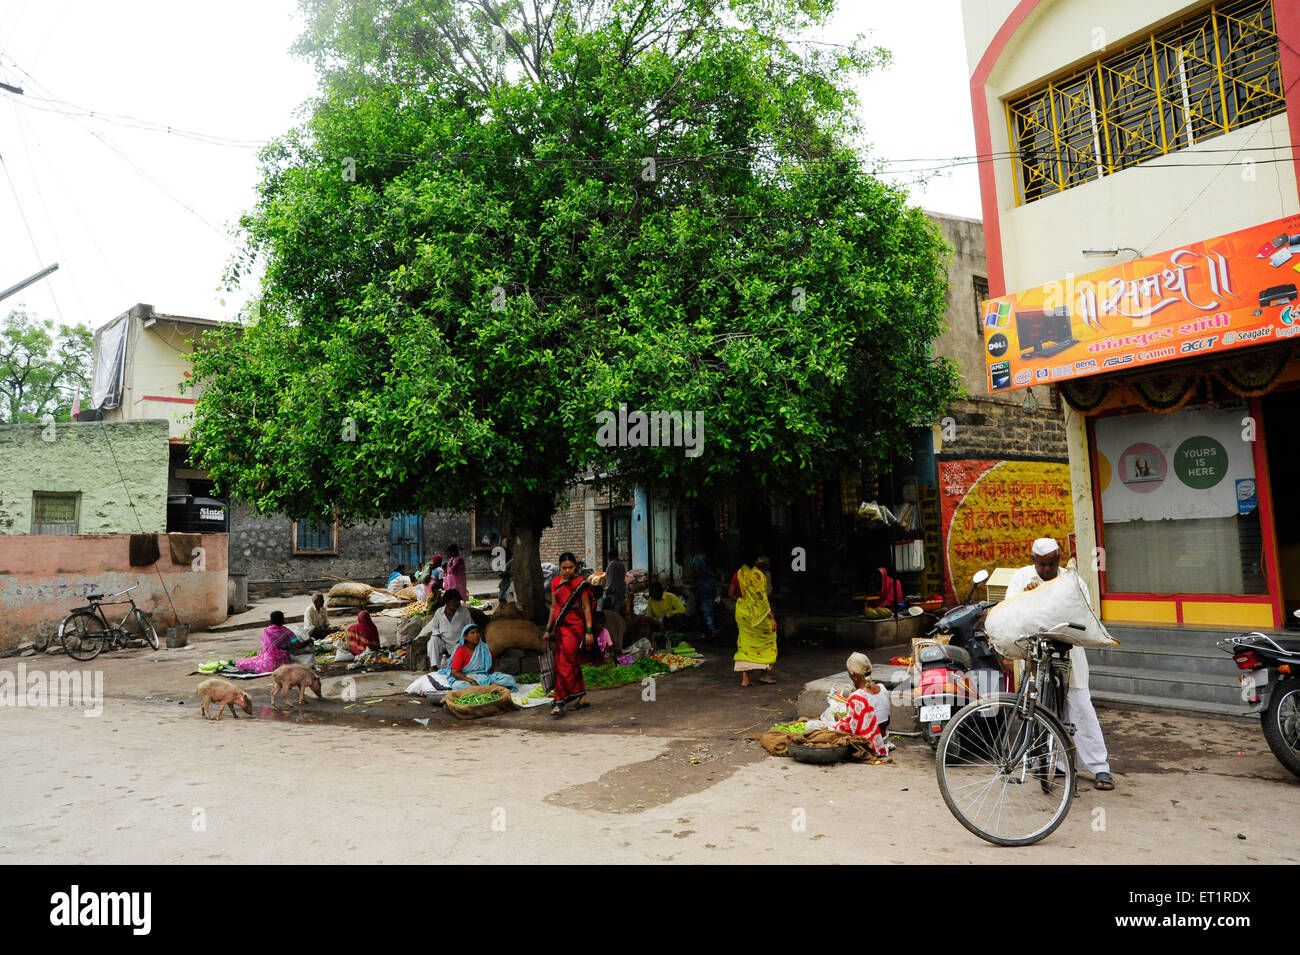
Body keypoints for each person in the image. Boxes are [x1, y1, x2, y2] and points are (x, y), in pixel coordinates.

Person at [1005, 537, 1115, 792]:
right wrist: (1027, 596)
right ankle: (1048, 762)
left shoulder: (1072, 580)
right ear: (1033, 560)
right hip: (1034, 651)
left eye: (1052, 563)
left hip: (1068, 649)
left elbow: (1084, 614)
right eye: (1042, 564)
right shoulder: (1022, 578)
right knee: (1035, 707)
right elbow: (1010, 609)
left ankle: (1100, 766)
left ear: (1059, 558)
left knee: (1080, 706)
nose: (1047, 569)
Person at [545, 551, 594, 718]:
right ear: (559, 568)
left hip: (575, 627)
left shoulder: (580, 583)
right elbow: (553, 607)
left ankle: (560, 700)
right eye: (564, 567)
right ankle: (583, 696)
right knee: (568, 661)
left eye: (571, 567)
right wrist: (548, 629)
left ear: (575, 566)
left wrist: (588, 632)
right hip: (560, 627)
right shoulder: (555, 582)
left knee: (564, 663)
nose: (567, 570)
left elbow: (587, 607)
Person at [731, 550, 778, 686]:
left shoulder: (738, 574)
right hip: (759, 614)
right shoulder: (757, 575)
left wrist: (743, 601)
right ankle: (764, 674)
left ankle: (745, 678)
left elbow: (731, 593)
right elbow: (762, 599)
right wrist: (771, 617)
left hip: (742, 612)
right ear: (755, 561)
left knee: (745, 644)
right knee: (769, 639)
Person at [830, 652, 891, 757]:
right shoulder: (882, 688)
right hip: (884, 737)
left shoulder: (857, 696)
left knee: (821, 725)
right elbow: (886, 720)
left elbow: (851, 731)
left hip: (870, 742)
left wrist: (839, 721)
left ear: (854, 675)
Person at [443, 623, 517, 690]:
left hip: (484, 676)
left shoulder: (484, 648)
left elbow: (493, 661)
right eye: (472, 633)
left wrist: (490, 675)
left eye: (477, 632)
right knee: (459, 686)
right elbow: (455, 672)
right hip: (467, 678)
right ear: (465, 637)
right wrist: (472, 681)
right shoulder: (460, 651)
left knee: (508, 678)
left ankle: (486, 689)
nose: (476, 635)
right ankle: (492, 689)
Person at [419, 588, 473, 668]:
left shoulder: (464, 611)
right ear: (447, 602)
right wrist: (438, 635)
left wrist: (464, 639)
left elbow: (471, 627)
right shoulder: (439, 612)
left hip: (459, 643)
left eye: (458, 601)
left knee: (454, 664)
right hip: (443, 642)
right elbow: (434, 628)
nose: (457, 604)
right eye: (455, 601)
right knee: (433, 640)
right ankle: (434, 666)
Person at [645, 580, 689, 648]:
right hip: (659, 623)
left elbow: (682, 610)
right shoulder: (651, 600)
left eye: (655, 594)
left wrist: (669, 614)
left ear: (661, 592)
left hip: (670, 621)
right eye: (652, 594)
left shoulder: (671, 597)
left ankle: (675, 636)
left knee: (679, 616)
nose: (654, 597)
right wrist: (657, 622)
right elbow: (649, 616)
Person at [691, 548, 719, 637]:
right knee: (710, 607)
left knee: (704, 608)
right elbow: (717, 573)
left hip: (704, 587)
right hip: (712, 586)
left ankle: (710, 629)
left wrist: (694, 582)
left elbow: (695, 570)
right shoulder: (712, 559)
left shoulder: (697, 558)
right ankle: (710, 629)